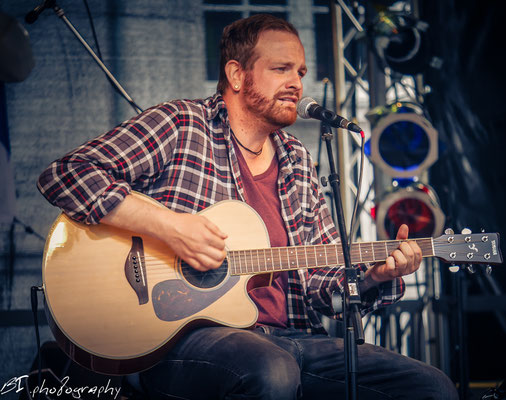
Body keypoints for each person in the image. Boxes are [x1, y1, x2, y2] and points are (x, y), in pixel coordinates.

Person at [37, 14, 458, 400]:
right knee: (271, 372)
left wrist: (371, 278)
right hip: (185, 338)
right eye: (281, 69)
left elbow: (318, 285)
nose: (297, 82)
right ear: (236, 75)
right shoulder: (181, 125)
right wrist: (169, 227)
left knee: (432, 387)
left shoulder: (297, 161)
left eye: (301, 72)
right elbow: (66, 174)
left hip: (294, 338)